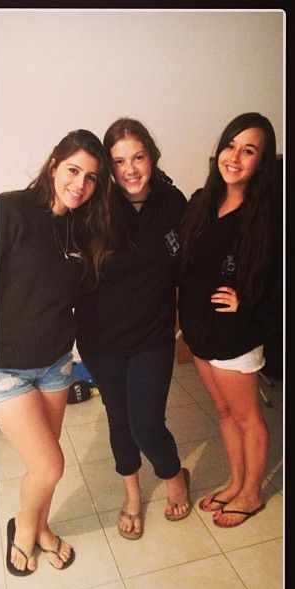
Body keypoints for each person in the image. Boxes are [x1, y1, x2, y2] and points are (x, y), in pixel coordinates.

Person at [0, 129, 112, 576]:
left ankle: (42, 528)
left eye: (91, 177)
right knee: (49, 465)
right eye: (73, 170)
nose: (80, 184)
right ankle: (24, 530)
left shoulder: (82, 228)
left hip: (57, 364)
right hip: (5, 368)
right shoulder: (9, 211)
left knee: (47, 460)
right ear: (53, 165)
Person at [74, 118, 191, 542]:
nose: (130, 170)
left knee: (146, 423)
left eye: (138, 157)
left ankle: (174, 475)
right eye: (119, 161)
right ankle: (132, 494)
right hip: (101, 340)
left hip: (152, 337)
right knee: (119, 419)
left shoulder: (173, 202)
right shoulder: (94, 207)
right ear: (109, 166)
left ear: (151, 157)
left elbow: (192, 264)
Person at [178, 112, 278, 528]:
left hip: (235, 335)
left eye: (248, 150)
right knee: (223, 411)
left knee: (247, 417)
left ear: (261, 162)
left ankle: (252, 494)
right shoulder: (202, 200)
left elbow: (276, 278)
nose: (235, 157)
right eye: (231, 145)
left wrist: (247, 301)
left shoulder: (266, 214)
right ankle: (236, 481)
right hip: (199, 331)